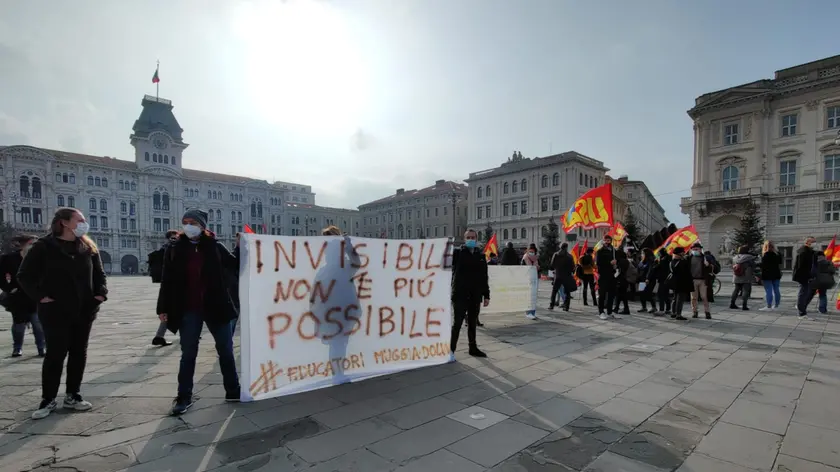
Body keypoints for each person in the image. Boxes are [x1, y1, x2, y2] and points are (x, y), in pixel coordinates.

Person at [18, 208, 108, 420]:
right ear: (65, 222)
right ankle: (48, 398)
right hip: (55, 310)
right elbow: (25, 275)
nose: (84, 223)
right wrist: (40, 296)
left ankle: (73, 395)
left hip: (84, 309)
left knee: (79, 353)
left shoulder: (87, 246)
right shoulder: (43, 246)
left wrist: (100, 295)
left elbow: (99, 274)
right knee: (55, 354)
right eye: (80, 219)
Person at [157, 209, 241, 415]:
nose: (188, 225)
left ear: (202, 225)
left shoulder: (214, 246)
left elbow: (234, 264)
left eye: (193, 222)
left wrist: (242, 247)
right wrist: (163, 308)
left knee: (226, 351)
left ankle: (233, 391)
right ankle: (184, 396)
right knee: (188, 353)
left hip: (216, 305)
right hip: (188, 308)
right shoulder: (175, 248)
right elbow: (166, 279)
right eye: (185, 221)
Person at [1, 235, 45, 357]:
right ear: (24, 245)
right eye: (31, 244)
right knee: (19, 325)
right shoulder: (9, 258)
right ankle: (17, 347)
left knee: (38, 323)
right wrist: (9, 288)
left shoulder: (39, 259)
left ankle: (41, 347)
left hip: (35, 296)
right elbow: (1, 276)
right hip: (18, 297)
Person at [450, 228, 489, 358]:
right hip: (460, 294)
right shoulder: (457, 253)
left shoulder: (480, 255)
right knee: (457, 323)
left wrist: (486, 295)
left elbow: (484, 277)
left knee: (472, 323)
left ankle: (473, 347)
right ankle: (451, 350)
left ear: (476, 239)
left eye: (473, 238)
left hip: (475, 295)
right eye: (469, 238)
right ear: (464, 238)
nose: (471, 240)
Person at [148, 230, 179, 346]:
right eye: (175, 236)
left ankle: (159, 336)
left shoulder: (164, 248)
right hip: (173, 285)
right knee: (173, 310)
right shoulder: (170, 248)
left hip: (169, 284)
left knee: (172, 310)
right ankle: (159, 336)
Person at [792, 236, 817, 319]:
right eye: (813, 242)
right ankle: (801, 313)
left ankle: (802, 310)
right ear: (808, 242)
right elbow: (801, 266)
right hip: (803, 276)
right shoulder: (804, 252)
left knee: (806, 293)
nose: (814, 244)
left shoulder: (808, 251)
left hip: (806, 276)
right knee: (803, 294)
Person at [595, 234, 619, 320]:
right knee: (602, 294)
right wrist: (609, 263)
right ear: (603, 241)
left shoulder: (613, 251)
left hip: (612, 276)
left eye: (609, 241)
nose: (607, 242)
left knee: (612, 294)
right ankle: (601, 311)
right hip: (603, 275)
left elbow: (617, 261)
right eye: (606, 241)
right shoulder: (600, 251)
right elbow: (598, 263)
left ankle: (610, 311)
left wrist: (616, 264)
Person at [687, 242, 713, 319]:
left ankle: (707, 312)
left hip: (702, 280)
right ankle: (695, 311)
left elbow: (713, 268)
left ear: (700, 249)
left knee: (704, 297)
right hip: (693, 280)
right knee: (693, 298)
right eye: (693, 249)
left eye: (696, 249)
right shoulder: (689, 258)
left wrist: (708, 265)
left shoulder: (705, 258)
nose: (695, 250)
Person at [549, 243, 576, 311]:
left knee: (554, 291)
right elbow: (573, 268)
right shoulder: (570, 256)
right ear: (566, 247)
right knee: (567, 292)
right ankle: (566, 307)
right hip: (567, 276)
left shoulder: (556, 254)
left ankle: (551, 305)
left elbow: (552, 265)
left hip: (558, 275)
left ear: (560, 247)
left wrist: (557, 269)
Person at [730, 245, 756, 311]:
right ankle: (744, 305)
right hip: (746, 276)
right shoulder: (750, 258)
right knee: (746, 291)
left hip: (737, 276)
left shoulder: (735, 258)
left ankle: (732, 303)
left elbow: (733, 266)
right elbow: (753, 266)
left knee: (736, 290)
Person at [668, 247, 691, 321]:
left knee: (675, 298)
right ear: (680, 253)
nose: (684, 253)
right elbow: (686, 271)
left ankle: (673, 312)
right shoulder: (682, 262)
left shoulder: (672, 261)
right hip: (682, 282)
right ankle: (678, 314)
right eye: (683, 252)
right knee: (680, 299)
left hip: (675, 283)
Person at [759, 241, 782, 311]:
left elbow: (763, 266)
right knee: (776, 289)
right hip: (776, 274)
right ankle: (776, 305)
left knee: (768, 290)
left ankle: (769, 306)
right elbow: (780, 263)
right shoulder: (778, 254)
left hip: (767, 275)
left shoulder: (765, 255)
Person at [521, 243, 540, 320]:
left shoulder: (536, 258)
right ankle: (528, 313)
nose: (532, 252)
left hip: (535, 278)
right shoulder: (525, 258)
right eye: (530, 251)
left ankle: (533, 312)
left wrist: (538, 267)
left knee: (534, 296)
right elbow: (522, 268)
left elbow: (539, 267)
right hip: (527, 279)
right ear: (528, 251)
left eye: (533, 251)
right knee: (529, 296)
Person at [637, 248, 657, 314]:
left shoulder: (651, 261)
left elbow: (650, 270)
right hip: (642, 280)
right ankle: (644, 307)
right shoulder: (641, 261)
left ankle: (654, 307)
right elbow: (638, 269)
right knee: (641, 293)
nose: (641, 255)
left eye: (643, 253)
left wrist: (647, 278)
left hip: (649, 280)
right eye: (641, 253)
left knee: (648, 293)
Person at [613, 250, 631, 315]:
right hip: (625, 280)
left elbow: (618, 271)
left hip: (620, 280)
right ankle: (617, 308)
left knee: (622, 295)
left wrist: (614, 276)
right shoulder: (626, 261)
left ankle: (626, 309)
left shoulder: (619, 261)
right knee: (621, 295)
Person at [656, 248, 672, 315]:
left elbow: (660, 268)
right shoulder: (667, 258)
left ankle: (661, 310)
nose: (658, 254)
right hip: (666, 279)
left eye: (659, 253)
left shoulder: (663, 259)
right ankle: (668, 309)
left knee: (661, 294)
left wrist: (657, 263)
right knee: (665, 295)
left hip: (663, 279)